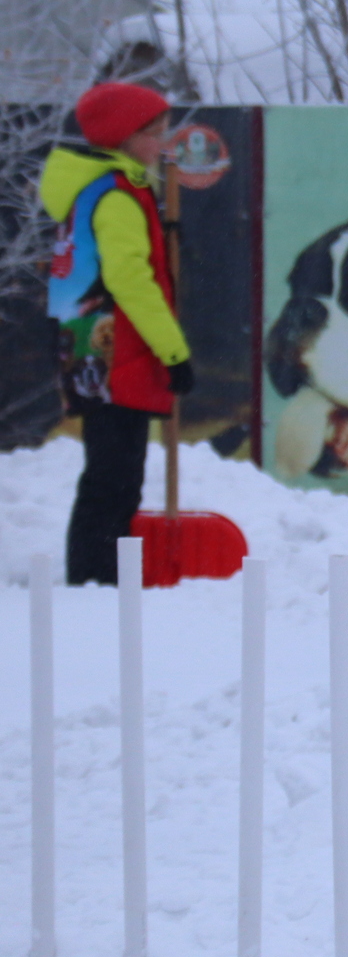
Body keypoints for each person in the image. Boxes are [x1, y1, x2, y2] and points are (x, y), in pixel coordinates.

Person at [40, 81, 192, 586]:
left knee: (114, 475)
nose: (164, 144)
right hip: (114, 354)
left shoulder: (106, 189)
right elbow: (131, 281)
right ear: (126, 137)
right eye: (155, 133)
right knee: (113, 479)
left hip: (91, 352)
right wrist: (172, 352)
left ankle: (100, 578)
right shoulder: (116, 197)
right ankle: (94, 583)